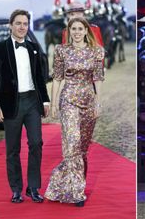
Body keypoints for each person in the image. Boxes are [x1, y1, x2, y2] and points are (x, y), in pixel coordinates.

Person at [0, 9, 50, 203]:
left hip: (32, 101)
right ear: (11, 25)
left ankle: (33, 187)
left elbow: (40, 78)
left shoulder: (33, 48)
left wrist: (45, 101)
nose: (22, 27)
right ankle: (16, 189)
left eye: (25, 24)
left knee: (36, 143)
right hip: (10, 104)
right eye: (18, 23)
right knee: (12, 149)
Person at [44, 17, 104, 207]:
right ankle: (77, 193)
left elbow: (98, 78)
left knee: (82, 149)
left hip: (88, 101)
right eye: (73, 29)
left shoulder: (96, 51)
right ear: (69, 31)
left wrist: (98, 103)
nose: (77, 32)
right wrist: (53, 104)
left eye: (80, 28)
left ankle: (61, 183)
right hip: (68, 99)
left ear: (86, 31)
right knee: (72, 143)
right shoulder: (61, 50)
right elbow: (57, 78)